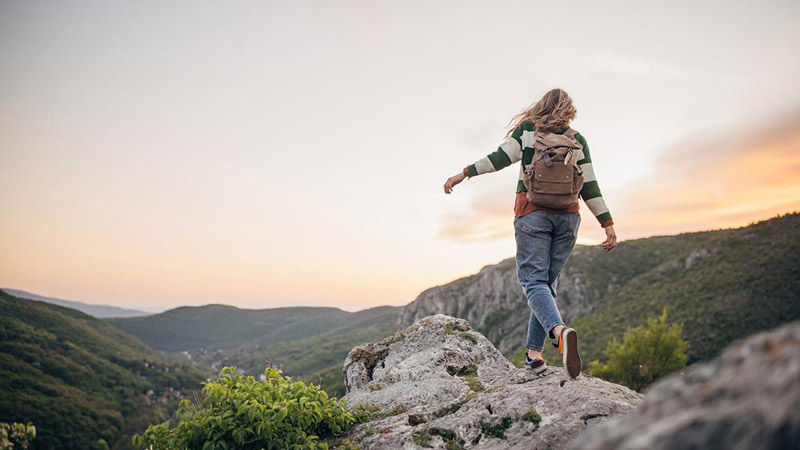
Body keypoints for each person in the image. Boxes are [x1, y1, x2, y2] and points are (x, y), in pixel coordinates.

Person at [443, 88, 617, 379]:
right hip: (568, 218)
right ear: (569, 111)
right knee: (546, 285)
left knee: (533, 281)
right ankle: (534, 356)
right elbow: (590, 184)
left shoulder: (528, 131)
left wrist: (465, 172)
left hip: (532, 212)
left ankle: (559, 332)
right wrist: (607, 223)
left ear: (541, 106)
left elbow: (499, 158)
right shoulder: (577, 139)